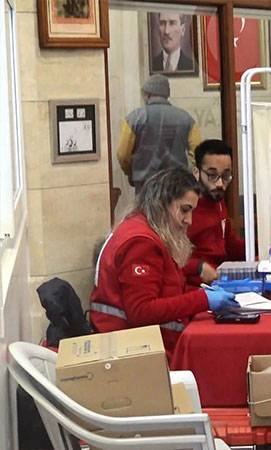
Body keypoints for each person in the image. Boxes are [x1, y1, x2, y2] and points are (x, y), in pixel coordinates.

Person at [90, 168, 239, 359]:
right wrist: (203, 299)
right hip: (133, 356)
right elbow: (141, 310)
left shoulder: (142, 229)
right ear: (162, 203)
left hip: (139, 348)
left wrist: (198, 282)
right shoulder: (141, 242)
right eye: (184, 210)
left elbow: (161, 278)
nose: (189, 221)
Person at [117, 74, 201, 192]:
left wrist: (131, 172)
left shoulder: (133, 118)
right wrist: (192, 177)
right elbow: (198, 152)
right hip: (177, 184)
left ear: (148, 94)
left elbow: (123, 154)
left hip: (145, 184)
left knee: (145, 211)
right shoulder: (186, 119)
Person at [182, 139, 245, 287]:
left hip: (221, 282)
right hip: (195, 287)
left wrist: (262, 246)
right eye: (212, 175)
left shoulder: (218, 201)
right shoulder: (185, 208)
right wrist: (198, 266)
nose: (219, 184)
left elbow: (230, 245)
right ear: (196, 172)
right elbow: (169, 258)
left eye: (225, 176)